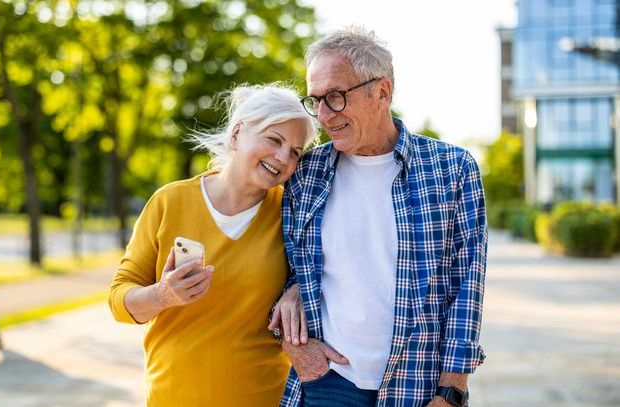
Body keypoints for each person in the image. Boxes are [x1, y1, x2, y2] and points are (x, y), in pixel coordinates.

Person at [275, 26, 487, 407]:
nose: (322, 115)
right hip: (327, 381)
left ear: (382, 92)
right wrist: (291, 315)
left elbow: (466, 286)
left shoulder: (452, 169)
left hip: (419, 385)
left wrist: (451, 391)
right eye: (315, 100)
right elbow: (275, 262)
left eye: (335, 97)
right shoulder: (304, 173)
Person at [109, 83, 318, 406]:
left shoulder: (293, 215)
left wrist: (299, 289)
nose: (282, 157)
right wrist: (162, 295)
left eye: (295, 151)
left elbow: (329, 274)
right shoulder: (170, 201)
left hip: (263, 398)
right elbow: (119, 301)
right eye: (274, 140)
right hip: (172, 396)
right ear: (236, 134)